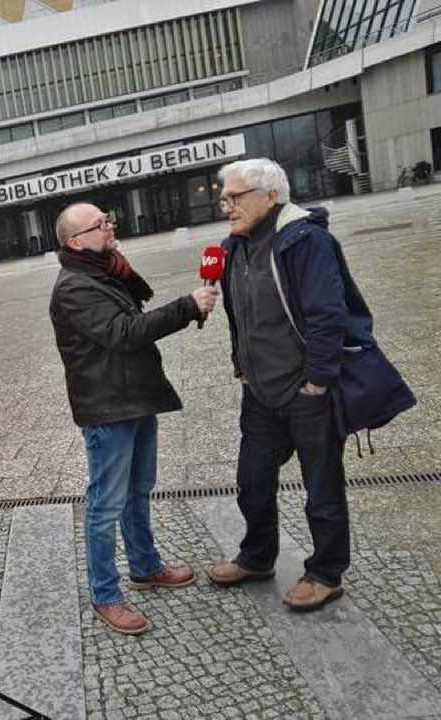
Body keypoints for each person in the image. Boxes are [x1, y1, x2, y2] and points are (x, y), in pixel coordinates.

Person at [49, 202, 219, 634]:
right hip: (108, 407)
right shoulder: (75, 287)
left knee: (139, 490)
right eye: (99, 224)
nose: (110, 226)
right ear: (75, 241)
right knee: (106, 504)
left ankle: (145, 567)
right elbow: (123, 333)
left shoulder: (105, 270)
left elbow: (132, 318)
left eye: (108, 220)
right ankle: (105, 595)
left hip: (136, 397)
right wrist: (187, 307)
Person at [206, 158, 353, 611]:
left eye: (235, 197)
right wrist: (240, 363)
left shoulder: (306, 241)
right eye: (223, 197)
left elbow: (329, 316)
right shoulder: (235, 247)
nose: (225, 205)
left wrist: (318, 381)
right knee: (251, 481)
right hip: (260, 391)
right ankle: (257, 556)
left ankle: (326, 573)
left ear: (271, 196)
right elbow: (239, 316)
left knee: (321, 490)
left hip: (305, 392)